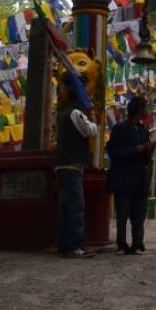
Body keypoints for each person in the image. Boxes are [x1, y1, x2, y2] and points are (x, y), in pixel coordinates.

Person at [55, 71, 99, 259]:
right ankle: (75, 246)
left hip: (64, 165)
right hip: (71, 166)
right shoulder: (75, 113)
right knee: (76, 207)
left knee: (66, 207)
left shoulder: (65, 113)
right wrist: (93, 116)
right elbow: (91, 131)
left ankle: (64, 245)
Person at [107, 94, 153, 255]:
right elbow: (113, 152)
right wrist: (135, 150)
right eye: (145, 109)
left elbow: (147, 159)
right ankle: (121, 244)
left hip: (139, 179)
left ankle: (137, 243)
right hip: (124, 178)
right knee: (122, 214)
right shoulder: (119, 129)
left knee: (139, 215)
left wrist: (147, 150)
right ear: (138, 111)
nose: (147, 112)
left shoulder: (143, 131)